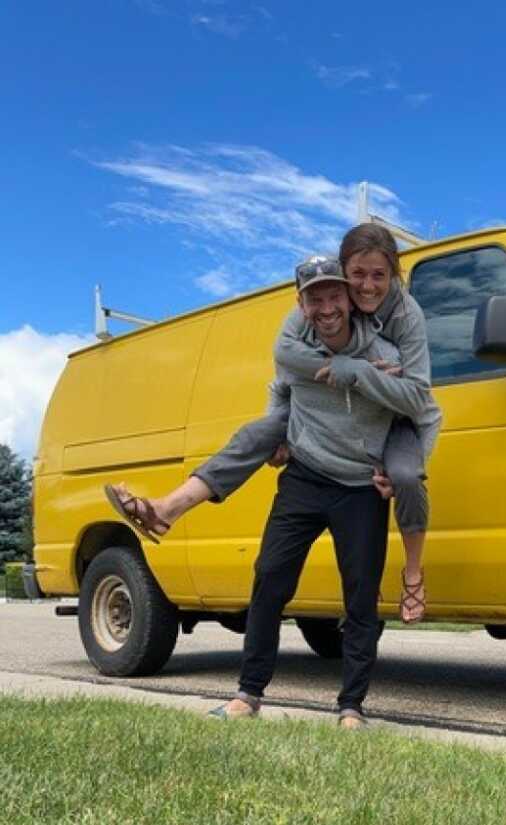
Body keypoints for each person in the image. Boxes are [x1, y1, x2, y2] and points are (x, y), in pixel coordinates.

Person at [105, 223, 442, 623]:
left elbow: (420, 399)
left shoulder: (406, 315)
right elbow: (284, 362)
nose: (367, 286)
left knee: (405, 476)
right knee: (258, 432)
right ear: (342, 272)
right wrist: (291, 417)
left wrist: (357, 371)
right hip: (324, 414)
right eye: (358, 275)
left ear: (393, 275)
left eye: (379, 275)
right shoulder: (320, 306)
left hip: (396, 419)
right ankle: (166, 509)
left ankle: (414, 573)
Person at [209, 255, 432, 726]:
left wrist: (402, 463)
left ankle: (352, 706)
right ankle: (248, 694)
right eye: (315, 298)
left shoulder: (388, 356)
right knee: (269, 578)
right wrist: (278, 438)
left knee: (360, 597)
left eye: (334, 295)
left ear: (350, 299)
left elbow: (417, 409)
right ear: (301, 304)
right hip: (305, 478)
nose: (326, 306)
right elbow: (280, 391)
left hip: (359, 485)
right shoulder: (294, 348)